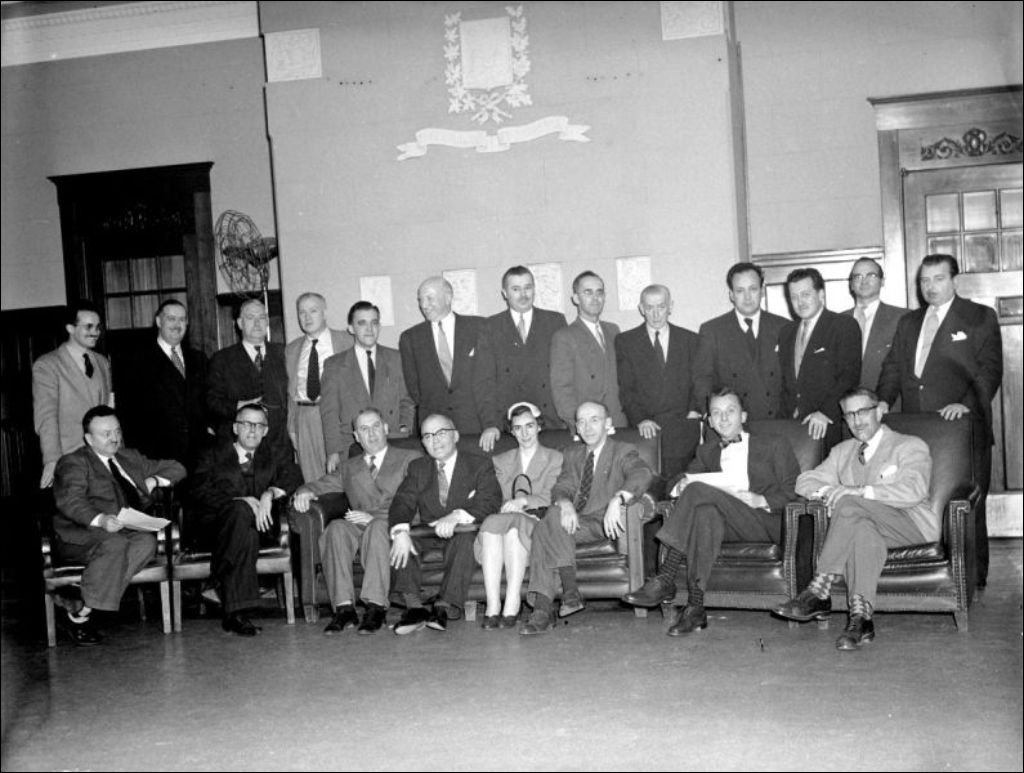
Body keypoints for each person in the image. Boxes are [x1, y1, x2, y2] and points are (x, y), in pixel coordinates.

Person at [622, 388, 799, 635]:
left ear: (743, 416)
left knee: (697, 491)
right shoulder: (707, 451)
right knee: (705, 513)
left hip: (763, 521)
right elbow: (679, 480)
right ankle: (695, 607)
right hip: (725, 525)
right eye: (716, 413)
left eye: (730, 411)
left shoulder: (773, 444)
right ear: (710, 422)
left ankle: (665, 576)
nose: (723, 418)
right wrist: (680, 486)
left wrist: (762, 499)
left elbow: (794, 489)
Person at [774, 388, 936, 651]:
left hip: (910, 526)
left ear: (880, 411)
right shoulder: (842, 451)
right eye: (849, 415)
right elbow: (805, 481)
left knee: (849, 503)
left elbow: (913, 490)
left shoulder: (908, 445)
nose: (856, 421)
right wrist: (829, 492)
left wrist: (859, 492)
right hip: (870, 529)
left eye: (862, 412)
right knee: (861, 530)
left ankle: (820, 589)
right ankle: (861, 620)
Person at [877, 254, 1002, 586]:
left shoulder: (979, 316)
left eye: (938, 279)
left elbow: (990, 370)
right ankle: (928, 577)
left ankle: (972, 580)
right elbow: (893, 368)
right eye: (924, 280)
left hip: (962, 429)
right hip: (918, 429)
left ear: (954, 281)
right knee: (922, 502)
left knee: (965, 506)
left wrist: (965, 404)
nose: (930, 287)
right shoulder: (909, 322)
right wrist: (882, 401)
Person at [52, 406, 185, 645]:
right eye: (106, 434)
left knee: (146, 543)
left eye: (117, 431)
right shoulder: (74, 462)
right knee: (116, 543)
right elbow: (71, 501)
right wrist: (101, 519)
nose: (114, 438)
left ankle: (82, 606)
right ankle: (83, 616)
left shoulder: (129, 458)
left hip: (123, 531)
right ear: (89, 439)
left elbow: (177, 468)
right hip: (81, 535)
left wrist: (154, 480)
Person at [521, 401, 653, 635]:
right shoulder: (572, 454)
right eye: (581, 422)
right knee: (550, 520)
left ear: (608, 423)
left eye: (594, 420)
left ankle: (547, 606)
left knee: (546, 526)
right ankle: (565, 596)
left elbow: (642, 473)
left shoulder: (622, 450)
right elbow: (562, 487)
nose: (587, 427)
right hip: (574, 523)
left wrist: (618, 499)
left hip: (604, 522)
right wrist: (565, 504)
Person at [291, 407, 421, 635]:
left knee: (377, 527)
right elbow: (319, 485)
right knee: (336, 528)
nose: (371, 433)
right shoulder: (348, 467)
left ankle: (376, 607)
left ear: (386, 428)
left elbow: (419, 500)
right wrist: (304, 492)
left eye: (376, 426)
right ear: (356, 437)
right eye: (364, 429)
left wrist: (377, 517)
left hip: (393, 523)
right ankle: (344, 608)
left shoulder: (410, 458)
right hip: (358, 525)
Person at [189, 403, 302, 636]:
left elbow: (294, 477)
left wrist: (269, 493)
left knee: (248, 531)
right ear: (235, 428)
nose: (253, 430)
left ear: (266, 431)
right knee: (244, 524)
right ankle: (236, 613)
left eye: (259, 425)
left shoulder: (274, 454)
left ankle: (218, 580)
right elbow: (197, 490)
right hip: (217, 529)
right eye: (247, 424)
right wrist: (239, 501)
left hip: (263, 528)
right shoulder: (212, 454)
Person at [388, 413, 502, 634]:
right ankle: (414, 608)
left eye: (441, 433)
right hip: (429, 532)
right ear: (423, 443)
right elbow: (403, 501)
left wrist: (457, 516)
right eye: (428, 436)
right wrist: (400, 530)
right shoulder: (418, 467)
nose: (435, 440)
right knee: (402, 540)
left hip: (463, 530)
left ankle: (444, 606)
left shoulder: (479, 464)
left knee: (465, 541)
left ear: (455, 436)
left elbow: (491, 501)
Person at [475, 402, 563, 629]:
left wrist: (523, 501)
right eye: (518, 428)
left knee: (513, 530)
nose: (524, 433)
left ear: (539, 426)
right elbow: (493, 496)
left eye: (529, 426)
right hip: (505, 520)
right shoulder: (500, 460)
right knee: (495, 525)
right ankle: (493, 604)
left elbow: (552, 494)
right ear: (512, 432)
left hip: (537, 522)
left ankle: (512, 602)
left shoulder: (554, 458)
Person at [399, 277, 501, 450]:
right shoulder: (411, 338)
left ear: (448, 297)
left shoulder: (478, 327)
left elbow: (488, 380)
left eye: (429, 298)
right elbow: (415, 390)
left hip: (476, 427)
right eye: (420, 300)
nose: (424, 305)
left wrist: (491, 424)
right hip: (435, 431)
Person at [616, 283, 701, 479]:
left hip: (683, 430)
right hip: (647, 431)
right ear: (641, 309)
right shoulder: (626, 341)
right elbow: (626, 387)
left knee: (682, 486)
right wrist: (640, 419)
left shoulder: (690, 340)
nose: (655, 314)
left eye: (661, 307)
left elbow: (699, 381)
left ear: (670, 306)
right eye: (649, 307)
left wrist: (694, 410)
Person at [320, 301, 413, 469]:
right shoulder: (334, 365)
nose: (369, 329)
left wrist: (404, 428)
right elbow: (329, 413)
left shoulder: (396, 358)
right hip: (352, 445)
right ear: (351, 328)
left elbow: (407, 400)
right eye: (362, 323)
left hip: (392, 441)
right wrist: (333, 451)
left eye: (374, 322)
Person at [119, 298, 210, 470]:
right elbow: (128, 413)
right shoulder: (137, 361)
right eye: (171, 319)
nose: (177, 325)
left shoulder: (199, 359)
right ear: (159, 321)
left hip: (198, 457)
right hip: (157, 457)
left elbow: (207, 403)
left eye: (182, 319)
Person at [693, 262, 789, 421]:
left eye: (753, 289)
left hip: (778, 422)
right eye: (740, 291)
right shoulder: (712, 331)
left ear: (762, 291)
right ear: (731, 295)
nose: (747, 297)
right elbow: (702, 379)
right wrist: (712, 415)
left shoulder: (783, 327)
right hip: (732, 425)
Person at [33, 300, 113, 488]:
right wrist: (52, 459)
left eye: (98, 327)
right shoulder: (47, 365)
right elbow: (46, 416)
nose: (95, 332)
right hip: (70, 458)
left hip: (103, 457)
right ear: (70, 328)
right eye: (88, 327)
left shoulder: (102, 362)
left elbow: (109, 410)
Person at [779, 267, 861, 447]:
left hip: (827, 424)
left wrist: (826, 412)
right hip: (793, 427)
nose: (800, 302)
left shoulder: (843, 326)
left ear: (821, 294)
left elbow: (849, 377)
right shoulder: (786, 332)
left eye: (806, 294)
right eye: (794, 297)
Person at [480, 265, 567, 427]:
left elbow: (565, 374)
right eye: (516, 289)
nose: (523, 295)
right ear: (504, 293)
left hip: (550, 418)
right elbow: (485, 380)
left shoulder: (555, 321)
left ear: (534, 289)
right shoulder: (490, 327)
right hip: (508, 419)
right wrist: (490, 423)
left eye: (528, 288)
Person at [207, 299, 290, 454]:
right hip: (238, 446)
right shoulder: (222, 359)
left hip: (279, 445)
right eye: (251, 318)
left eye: (262, 317)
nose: (257, 323)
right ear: (240, 323)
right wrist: (237, 406)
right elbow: (211, 400)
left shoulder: (284, 353)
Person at [285, 292, 352, 481]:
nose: (307, 317)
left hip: (338, 417)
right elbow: (291, 391)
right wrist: (292, 427)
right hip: (305, 418)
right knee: (312, 480)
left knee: (344, 477)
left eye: (313, 311)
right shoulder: (292, 349)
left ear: (325, 313)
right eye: (302, 312)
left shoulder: (347, 341)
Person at [550, 271, 627, 430]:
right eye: (588, 292)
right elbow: (562, 390)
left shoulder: (613, 330)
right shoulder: (564, 337)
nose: (595, 298)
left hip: (618, 422)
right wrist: (580, 426)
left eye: (599, 292)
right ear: (576, 298)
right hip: (588, 428)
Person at [842, 257, 906, 394]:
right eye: (858, 276)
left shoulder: (903, 318)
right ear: (851, 284)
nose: (864, 281)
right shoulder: (837, 321)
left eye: (871, 275)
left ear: (882, 281)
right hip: (845, 402)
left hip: (887, 402)